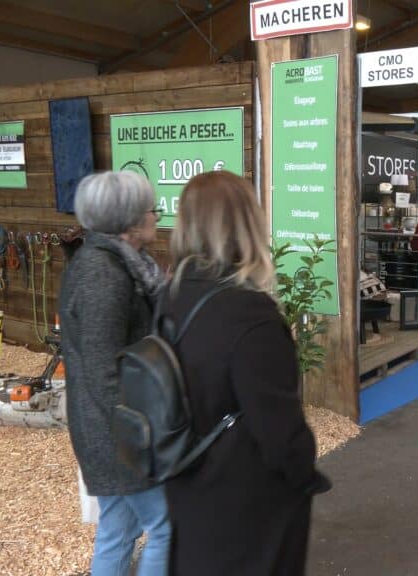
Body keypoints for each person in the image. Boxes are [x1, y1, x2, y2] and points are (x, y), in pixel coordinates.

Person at [164, 171, 330, 575]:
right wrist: (304, 472)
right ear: (246, 225)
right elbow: (280, 434)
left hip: (184, 486)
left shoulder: (167, 297)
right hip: (245, 509)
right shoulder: (250, 315)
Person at [59, 171, 169, 576]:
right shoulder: (102, 274)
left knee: (119, 529)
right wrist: (139, 432)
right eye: (150, 209)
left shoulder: (118, 264)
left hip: (109, 427)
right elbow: (102, 369)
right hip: (115, 433)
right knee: (165, 527)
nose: (156, 216)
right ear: (129, 221)